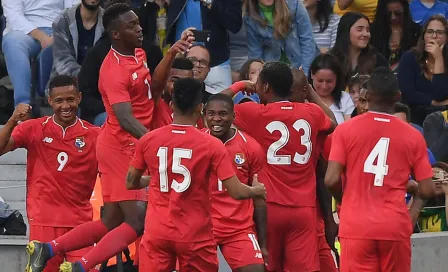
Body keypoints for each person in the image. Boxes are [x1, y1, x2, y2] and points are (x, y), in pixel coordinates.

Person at [24, 3, 193, 272]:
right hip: (120, 147)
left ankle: (50, 248)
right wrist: (158, 141)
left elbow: (156, 86)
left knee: (112, 221)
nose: (139, 29)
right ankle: (81, 267)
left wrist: (171, 53)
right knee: (138, 221)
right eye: (132, 26)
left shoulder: (138, 53)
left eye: (138, 23)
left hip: (131, 144)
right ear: (115, 34)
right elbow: (125, 118)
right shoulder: (112, 70)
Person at [125, 78, 266, 271]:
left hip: (158, 231)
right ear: (200, 109)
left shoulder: (149, 139)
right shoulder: (211, 145)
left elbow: (131, 182)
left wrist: (154, 178)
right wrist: (256, 191)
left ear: (172, 105)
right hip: (194, 233)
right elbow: (236, 192)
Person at [221, 61, 338, 271]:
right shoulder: (311, 112)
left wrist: (240, 85)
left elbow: (214, 105)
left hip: (269, 207)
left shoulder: (253, 113)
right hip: (303, 209)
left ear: (265, 87)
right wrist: (310, 91)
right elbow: (332, 121)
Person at [325, 67, 435, 272]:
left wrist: (345, 200)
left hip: (356, 226)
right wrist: (412, 212)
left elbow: (331, 180)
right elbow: (427, 189)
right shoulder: (413, 136)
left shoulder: (345, 130)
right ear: (398, 97)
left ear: (366, 95)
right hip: (394, 226)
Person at [0, 75, 100, 272]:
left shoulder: (95, 134)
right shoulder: (34, 128)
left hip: (80, 224)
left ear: (79, 98)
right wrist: (12, 120)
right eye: (59, 100)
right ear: (50, 101)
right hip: (43, 222)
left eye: (70, 99)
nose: (65, 106)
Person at [203, 93, 267, 271]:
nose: (217, 119)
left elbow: (259, 198)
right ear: (204, 115)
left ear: (233, 116)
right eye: (211, 114)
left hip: (238, 229)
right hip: (201, 227)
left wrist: (263, 245)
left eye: (223, 114)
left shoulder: (250, 147)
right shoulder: (195, 142)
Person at [2, 0, 78, 107]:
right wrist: (42, 37)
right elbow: (13, 15)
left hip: (58, 27)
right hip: (23, 30)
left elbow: (72, 9)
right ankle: (23, 107)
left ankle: (64, 104)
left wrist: (58, 33)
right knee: (12, 43)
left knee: (68, 42)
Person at [166, 0, 242, 91]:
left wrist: (210, 2)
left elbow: (235, 24)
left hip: (216, 65)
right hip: (180, 65)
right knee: (176, 102)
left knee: (221, 103)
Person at [397, 14, 448, 126]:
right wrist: (433, 102)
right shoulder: (409, 57)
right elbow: (408, 92)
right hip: (414, 116)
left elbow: (440, 94)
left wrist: (438, 58)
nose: (434, 36)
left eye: (440, 32)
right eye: (430, 32)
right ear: (424, 36)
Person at [244, 0, 316, 74]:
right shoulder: (249, 17)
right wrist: (262, 78)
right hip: (272, 71)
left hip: (299, 64)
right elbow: (255, 54)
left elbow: (307, 39)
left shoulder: (294, 4)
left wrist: (305, 71)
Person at [48, 0, 104, 88]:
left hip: (98, 86)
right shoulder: (63, 20)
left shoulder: (108, 23)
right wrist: (86, 77)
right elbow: (63, 61)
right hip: (64, 86)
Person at [329, 12, 388, 88]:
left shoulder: (377, 59)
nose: (366, 34)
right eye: (360, 30)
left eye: (367, 30)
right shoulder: (330, 59)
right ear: (346, 31)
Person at [371, 0, 420, 71]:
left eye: (398, 13)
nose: (393, 17)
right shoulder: (374, 30)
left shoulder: (415, 31)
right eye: (388, 14)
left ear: (405, 10)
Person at [151, 57, 197, 130]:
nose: (180, 86)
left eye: (186, 81)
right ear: (164, 82)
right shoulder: (154, 105)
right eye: (174, 81)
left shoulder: (196, 112)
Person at [309, 53, 355, 124]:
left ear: (337, 78)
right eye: (320, 81)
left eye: (329, 81)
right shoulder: (302, 98)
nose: (324, 86)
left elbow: (348, 128)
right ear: (312, 75)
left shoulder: (345, 99)